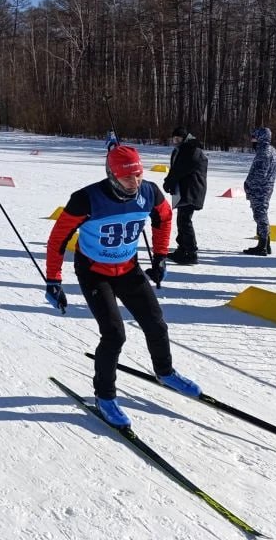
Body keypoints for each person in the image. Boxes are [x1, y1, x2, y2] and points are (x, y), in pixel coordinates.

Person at [46, 145, 200, 427]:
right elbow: (58, 238)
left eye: (139, 175)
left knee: (156, 324)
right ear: (112, 176)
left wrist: (162, 256)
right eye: (128, 178)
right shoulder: (86, 199)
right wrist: (54, 280)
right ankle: (104, 396)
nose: (135, 183)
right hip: (94, 272)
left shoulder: (150, 192)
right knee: (115, 334)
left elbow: (164, 219)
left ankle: (164, 372)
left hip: (128, 267)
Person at [162, 126, 208, 265]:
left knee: (184, 220)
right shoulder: (185, 148)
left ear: (185, 138)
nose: (175, 141)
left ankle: (191, 252)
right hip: (186, 189)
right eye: (174, 139)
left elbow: (181, 169)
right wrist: (171, 182)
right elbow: (177, 168)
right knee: (182, 220)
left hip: (192, 190)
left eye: (178, 139)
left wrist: (170, 181)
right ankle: (182, 249)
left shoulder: (192, 149)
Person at [243, 127, 276, 255]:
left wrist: (248, 185)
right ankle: (266, 243)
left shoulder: (264, 152)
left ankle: (263, 245)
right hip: (266, 187)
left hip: (259, 189)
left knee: (260, 215)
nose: (252, 140)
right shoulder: (272, 151)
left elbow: (259, 174)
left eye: (254, 137)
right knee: (261, 214)